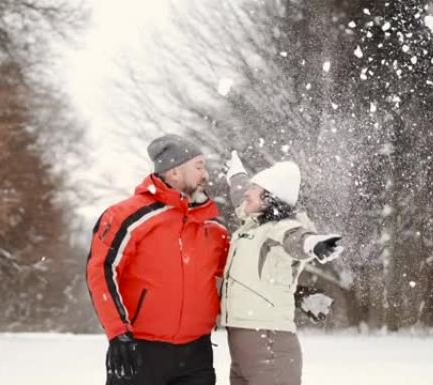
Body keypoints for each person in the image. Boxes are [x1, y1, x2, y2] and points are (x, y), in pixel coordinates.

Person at [86, 134, 230, 385]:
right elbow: (101, 270)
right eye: (198, 167)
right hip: (139, 351)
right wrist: (118, 333)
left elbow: (240, 275)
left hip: (196, 355)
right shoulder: (127, 216)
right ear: (174, 173)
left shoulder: (213, 227)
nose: (205, 175)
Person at [221, 151, 343, 385]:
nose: (247, 191)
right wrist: (236, 173)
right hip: (245, 342)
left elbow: (295, 239)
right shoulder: (251, 225)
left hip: (269, 342)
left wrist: (312, 244)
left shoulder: (279, 229)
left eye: (254, 188)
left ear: (269, 198)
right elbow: (240, 196)